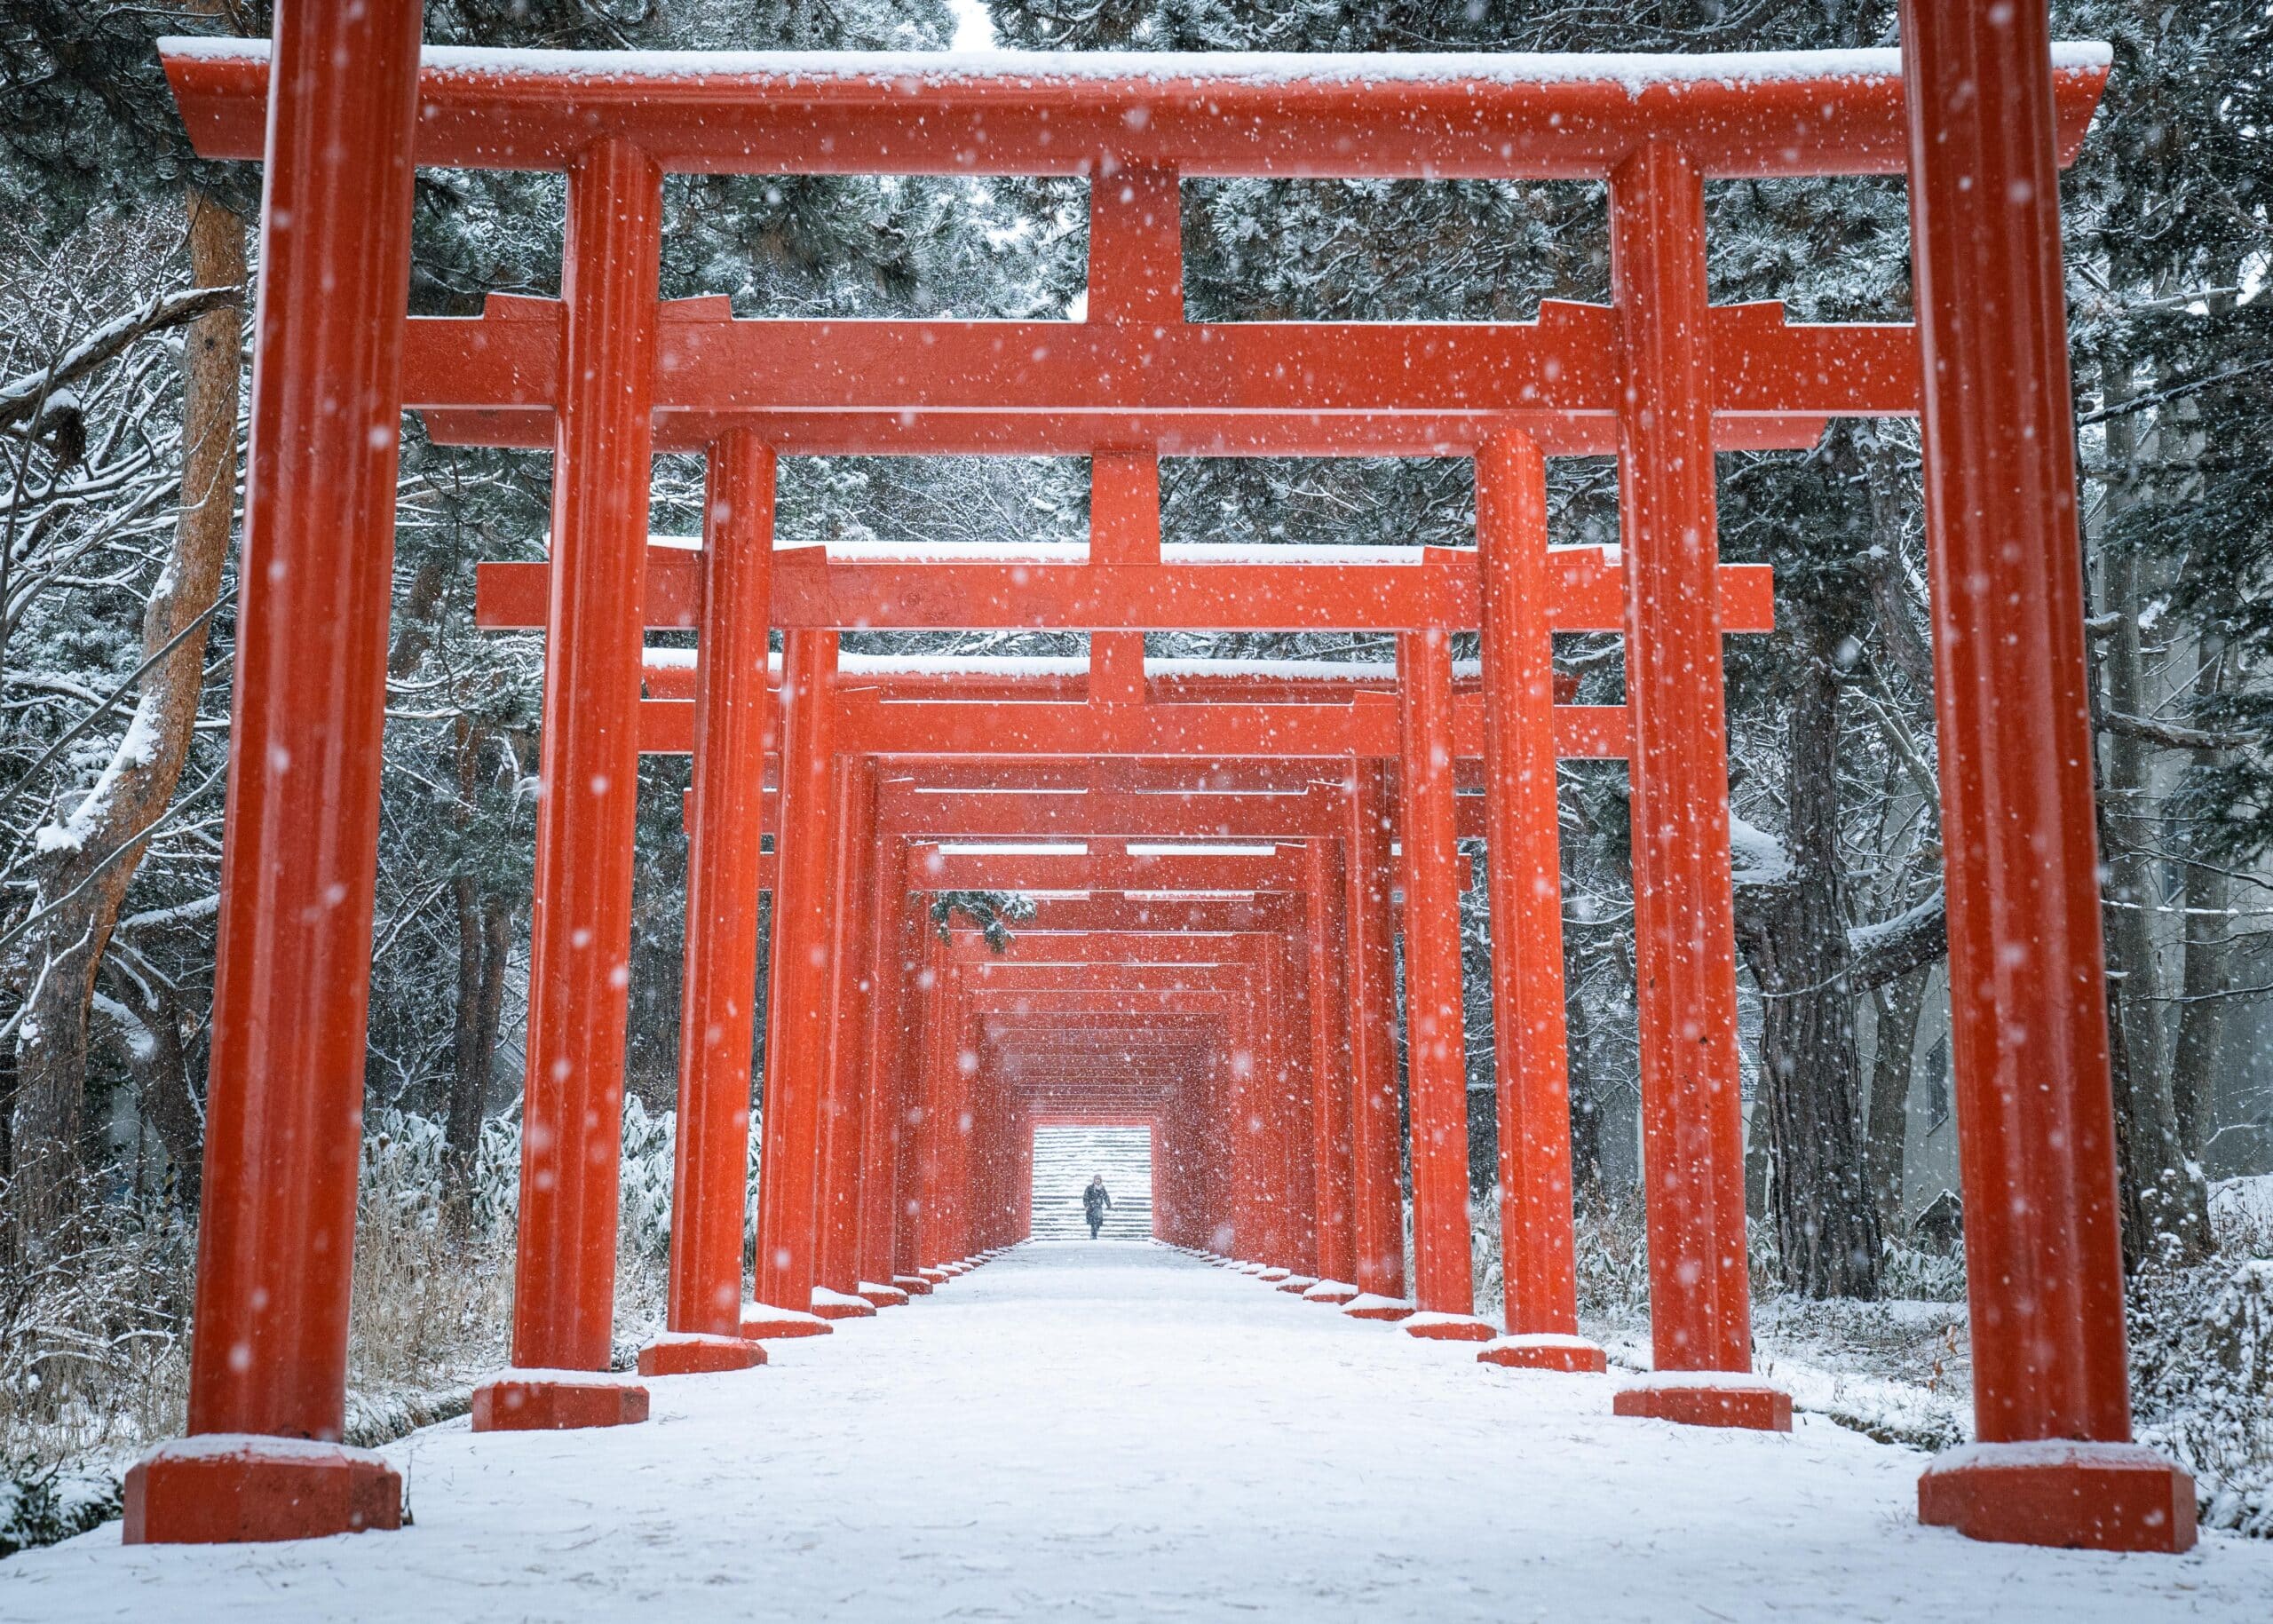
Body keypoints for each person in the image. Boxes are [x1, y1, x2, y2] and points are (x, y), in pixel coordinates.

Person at [1082, 1174, 1112, 1240]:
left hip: (1099, 1207)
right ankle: (1093, 1235)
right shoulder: (1089, 1188)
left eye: (1099, 1179)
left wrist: (1108, 1204)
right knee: (1093, 1222)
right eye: (1096, 1179)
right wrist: (1087, 1205)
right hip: (1091, 1208)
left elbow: (1106, 1196)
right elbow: (1085, 1197)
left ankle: (1094, 1233)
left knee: (1098, 1222)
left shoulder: (1102, 1188)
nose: (1097, 1181)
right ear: (1094, 1180)